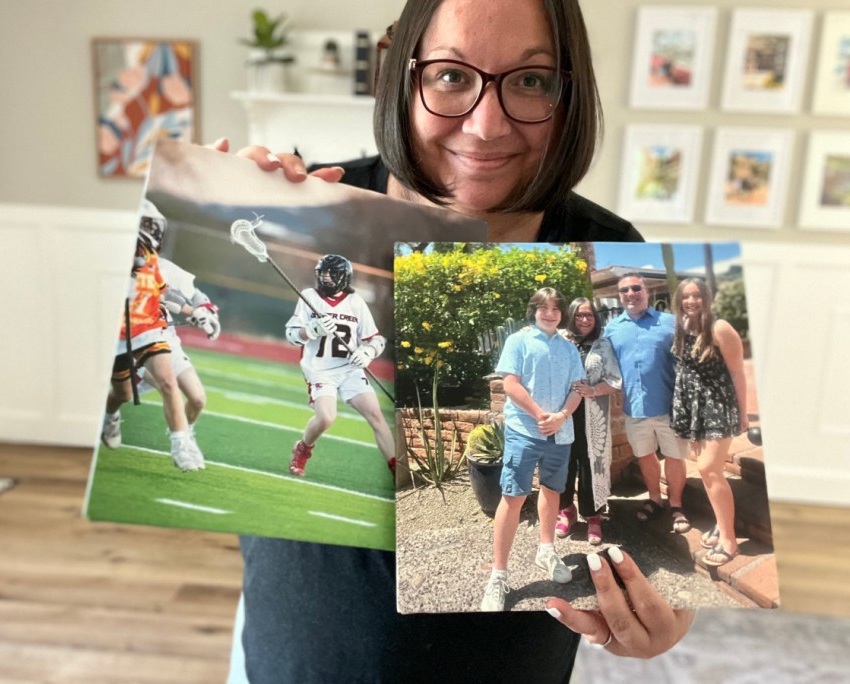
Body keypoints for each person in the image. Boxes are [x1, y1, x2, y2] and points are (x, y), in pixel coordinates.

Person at [223, 0, 694, 677]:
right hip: (289, 657)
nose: (485, 123)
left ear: (571, 93)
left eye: (530, 80)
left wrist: (664, 613)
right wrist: (211, 193)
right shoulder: (306, 212)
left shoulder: (611, 252)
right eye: (450, 76)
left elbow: (659, 548)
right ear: (402, 76)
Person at [481, 287, 584, 612]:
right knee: (513, 497)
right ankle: (498, 575)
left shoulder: (569, 349)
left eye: (555, 308)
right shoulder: (519, 341)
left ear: (561, 313)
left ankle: (546, 550)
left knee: (553, 491)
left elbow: (577, 388)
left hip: (560, 434)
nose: (550, 313)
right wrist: (540, 415)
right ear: (533, 310)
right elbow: (510, 383)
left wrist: (562, 416)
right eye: (543, 308)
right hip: (525, 432)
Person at [100, 200, 205, 472]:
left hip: (148, 328)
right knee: (122, 393)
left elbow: (164, 293)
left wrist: (192, 311)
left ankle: (181, 445)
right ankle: (109, 415)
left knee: (168, 383)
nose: (151, 232)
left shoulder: (150, 259)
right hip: (118, 333)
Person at [285, 254, 395, 476]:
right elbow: (291, 334)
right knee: (326, 417)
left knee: (376, 415)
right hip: (320, 370)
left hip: (350, 369)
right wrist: (311, 330)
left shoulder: (355, 302)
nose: (325, 278)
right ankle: (303, 449)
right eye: (322, 273)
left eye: (331, 274)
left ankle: (396, 469)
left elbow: (376, 339)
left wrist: (367, 352)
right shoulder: (309, 297)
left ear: (343, 278)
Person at [603, 272, 690, 534]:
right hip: (634, 409)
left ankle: (676, 505)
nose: (631, 294)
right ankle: (654, 498)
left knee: (675, 456)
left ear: (646, 291)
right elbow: (591, 352)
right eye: (625, 290)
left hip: (669, 406)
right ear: (619, 296)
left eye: (636, 288)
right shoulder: (612, 329)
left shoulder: (670, 323)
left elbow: (692, 356)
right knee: (645, 456)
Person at [671, 277, 748, 567]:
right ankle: (721, 523)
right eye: (685, 297)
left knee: (708, 468)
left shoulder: (720, 328)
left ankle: (730, 541)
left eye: (696, 296)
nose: (691, 302)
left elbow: (738, 373)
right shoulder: (684, 327)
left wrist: (743, 413)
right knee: (708, 473)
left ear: (707, 297)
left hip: (718, 404)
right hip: (695, 409)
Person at [557, 297, 622, 546]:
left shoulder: (603, 344)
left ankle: (593, 515)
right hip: (563, 415)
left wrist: (592, 391)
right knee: (563, 464)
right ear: (571, 316)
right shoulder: (560, 340)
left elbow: (616, 380)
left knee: (590, 466)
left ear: (596, 318)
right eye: (579, 315)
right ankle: (567, 511)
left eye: (589, 315)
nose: (584, 320)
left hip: (592, 416)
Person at [135, 256, 221, 434]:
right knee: (126, 393)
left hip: (165, 338)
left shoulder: (162, 265)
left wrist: (206, 309)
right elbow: (163, 293)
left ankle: (183, 436)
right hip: (132, 339)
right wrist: (191, 311)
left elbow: (194, 293)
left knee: (197, 399)